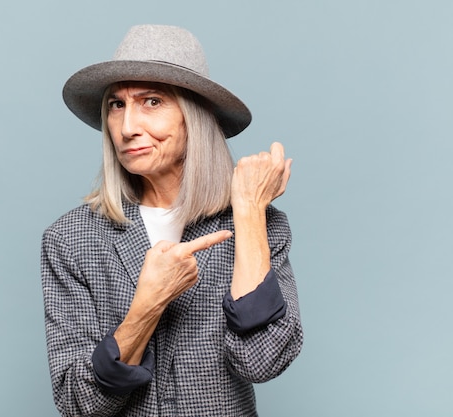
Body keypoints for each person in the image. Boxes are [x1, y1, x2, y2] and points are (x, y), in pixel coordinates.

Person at [41, 24, 303, 417]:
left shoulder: (263, 225)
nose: (127, 127)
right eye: (116, 105)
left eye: (151, 102)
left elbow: (260, 361)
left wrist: (247, 211)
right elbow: (78, 402)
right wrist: (147, 304)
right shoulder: (70, 239)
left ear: (194, 116)